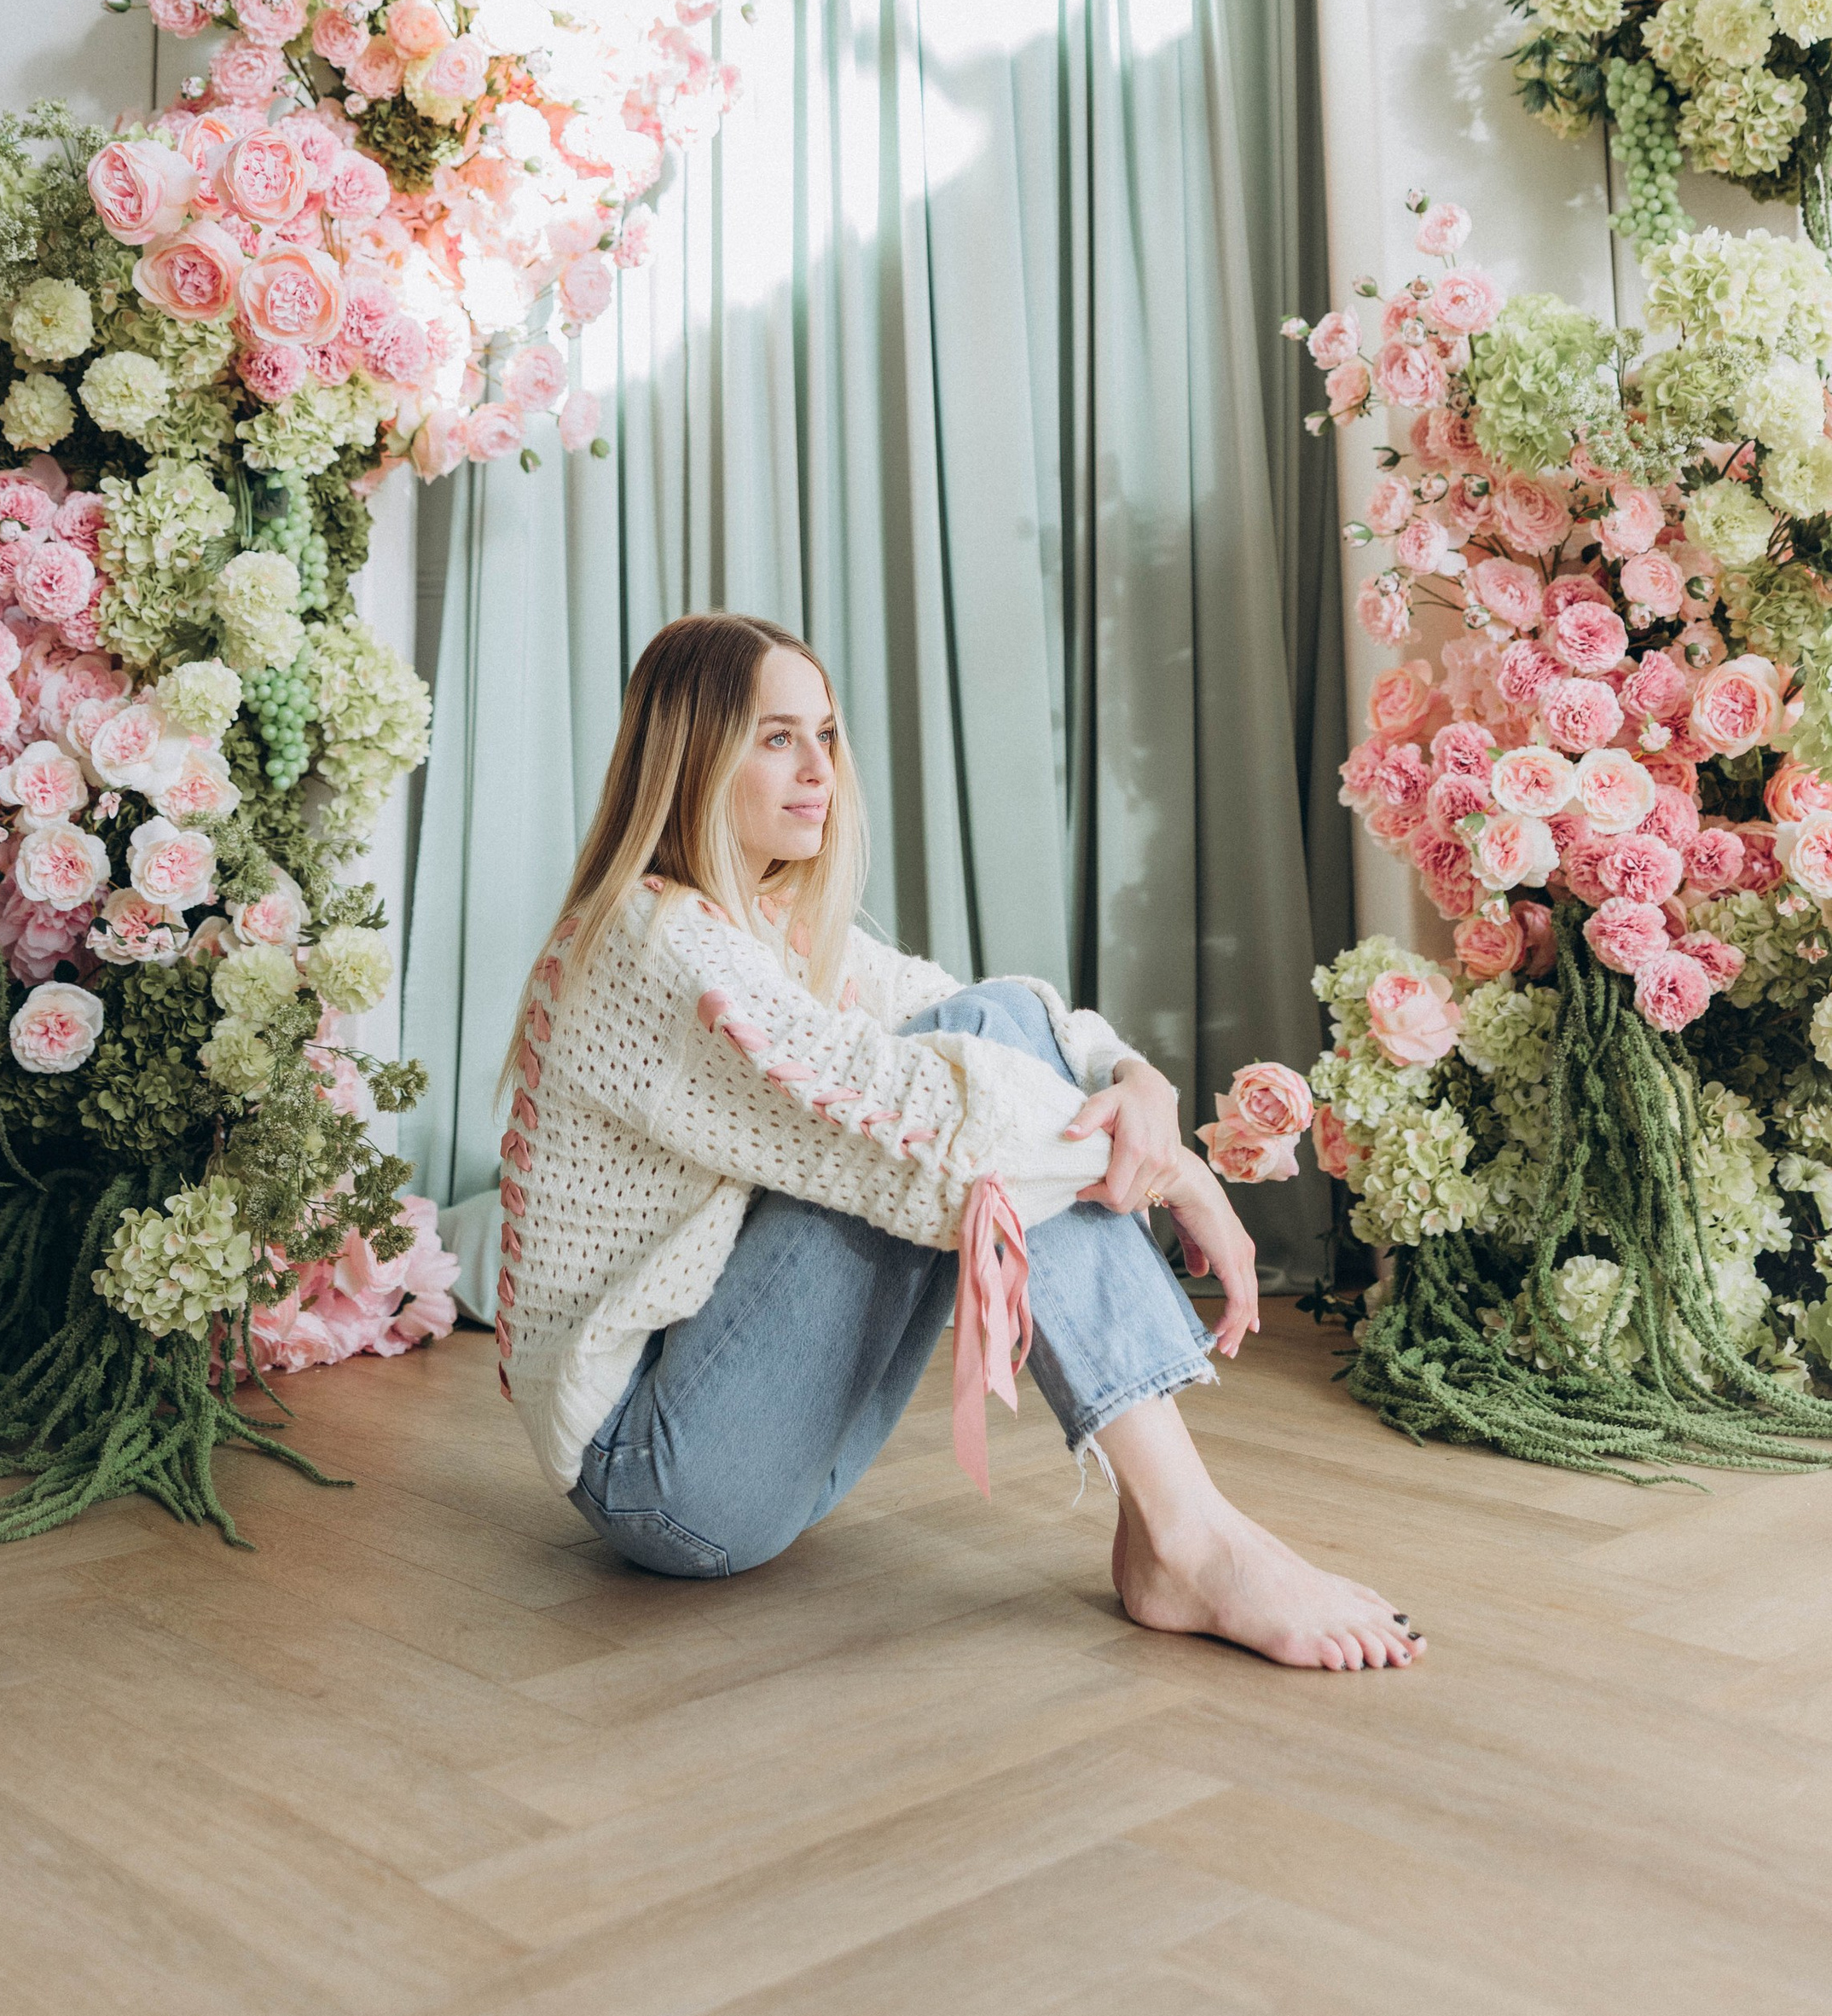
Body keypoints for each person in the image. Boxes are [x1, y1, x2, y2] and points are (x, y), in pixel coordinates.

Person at [492, 611, 1425, 1672]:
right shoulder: (650, 943)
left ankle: (1173, 1530)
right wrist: (1176, 1177)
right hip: (659, 1478)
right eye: (776, 738)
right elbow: (942, 1120)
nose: (820, 772)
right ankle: (1191, 1534)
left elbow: (1001, 1013)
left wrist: (1135, 1078)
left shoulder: (763, 921)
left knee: (991, 1039)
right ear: (691, 756)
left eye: (826, 736)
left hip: (754, 1461)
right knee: (967, 1118)